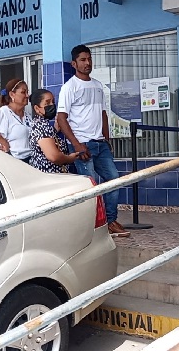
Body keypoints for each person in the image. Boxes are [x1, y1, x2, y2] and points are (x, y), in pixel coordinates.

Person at [56, 44, 130, 238]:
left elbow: (103, 114)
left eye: (89, 59)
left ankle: (110, 221)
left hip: (100, 144)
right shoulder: (69, 87)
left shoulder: (97, 85)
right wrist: (77, 145)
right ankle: (92, 227)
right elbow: (61, 119)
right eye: (83, 60)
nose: (87, 63)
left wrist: (107, 138)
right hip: (83, 145)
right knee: (91, 188)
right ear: (74, 63)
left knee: (113, 180)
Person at [0, 78, 32, 163]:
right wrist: (3, 142)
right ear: (12, 94)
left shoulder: (27, 116)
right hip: (13, 161)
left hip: (29, 161)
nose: (27, 95)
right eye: (23, 92)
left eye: (27, 92)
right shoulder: (3, 112)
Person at [29, 89, 80, 173]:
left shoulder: (44, 125)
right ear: (37, 108)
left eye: (53, 102)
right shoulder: (40, 126)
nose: (52, 105)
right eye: (47, 103)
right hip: (48, 177)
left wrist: (55, 130)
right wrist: (70, 158)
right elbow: (54, 156)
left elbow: (47, 140)